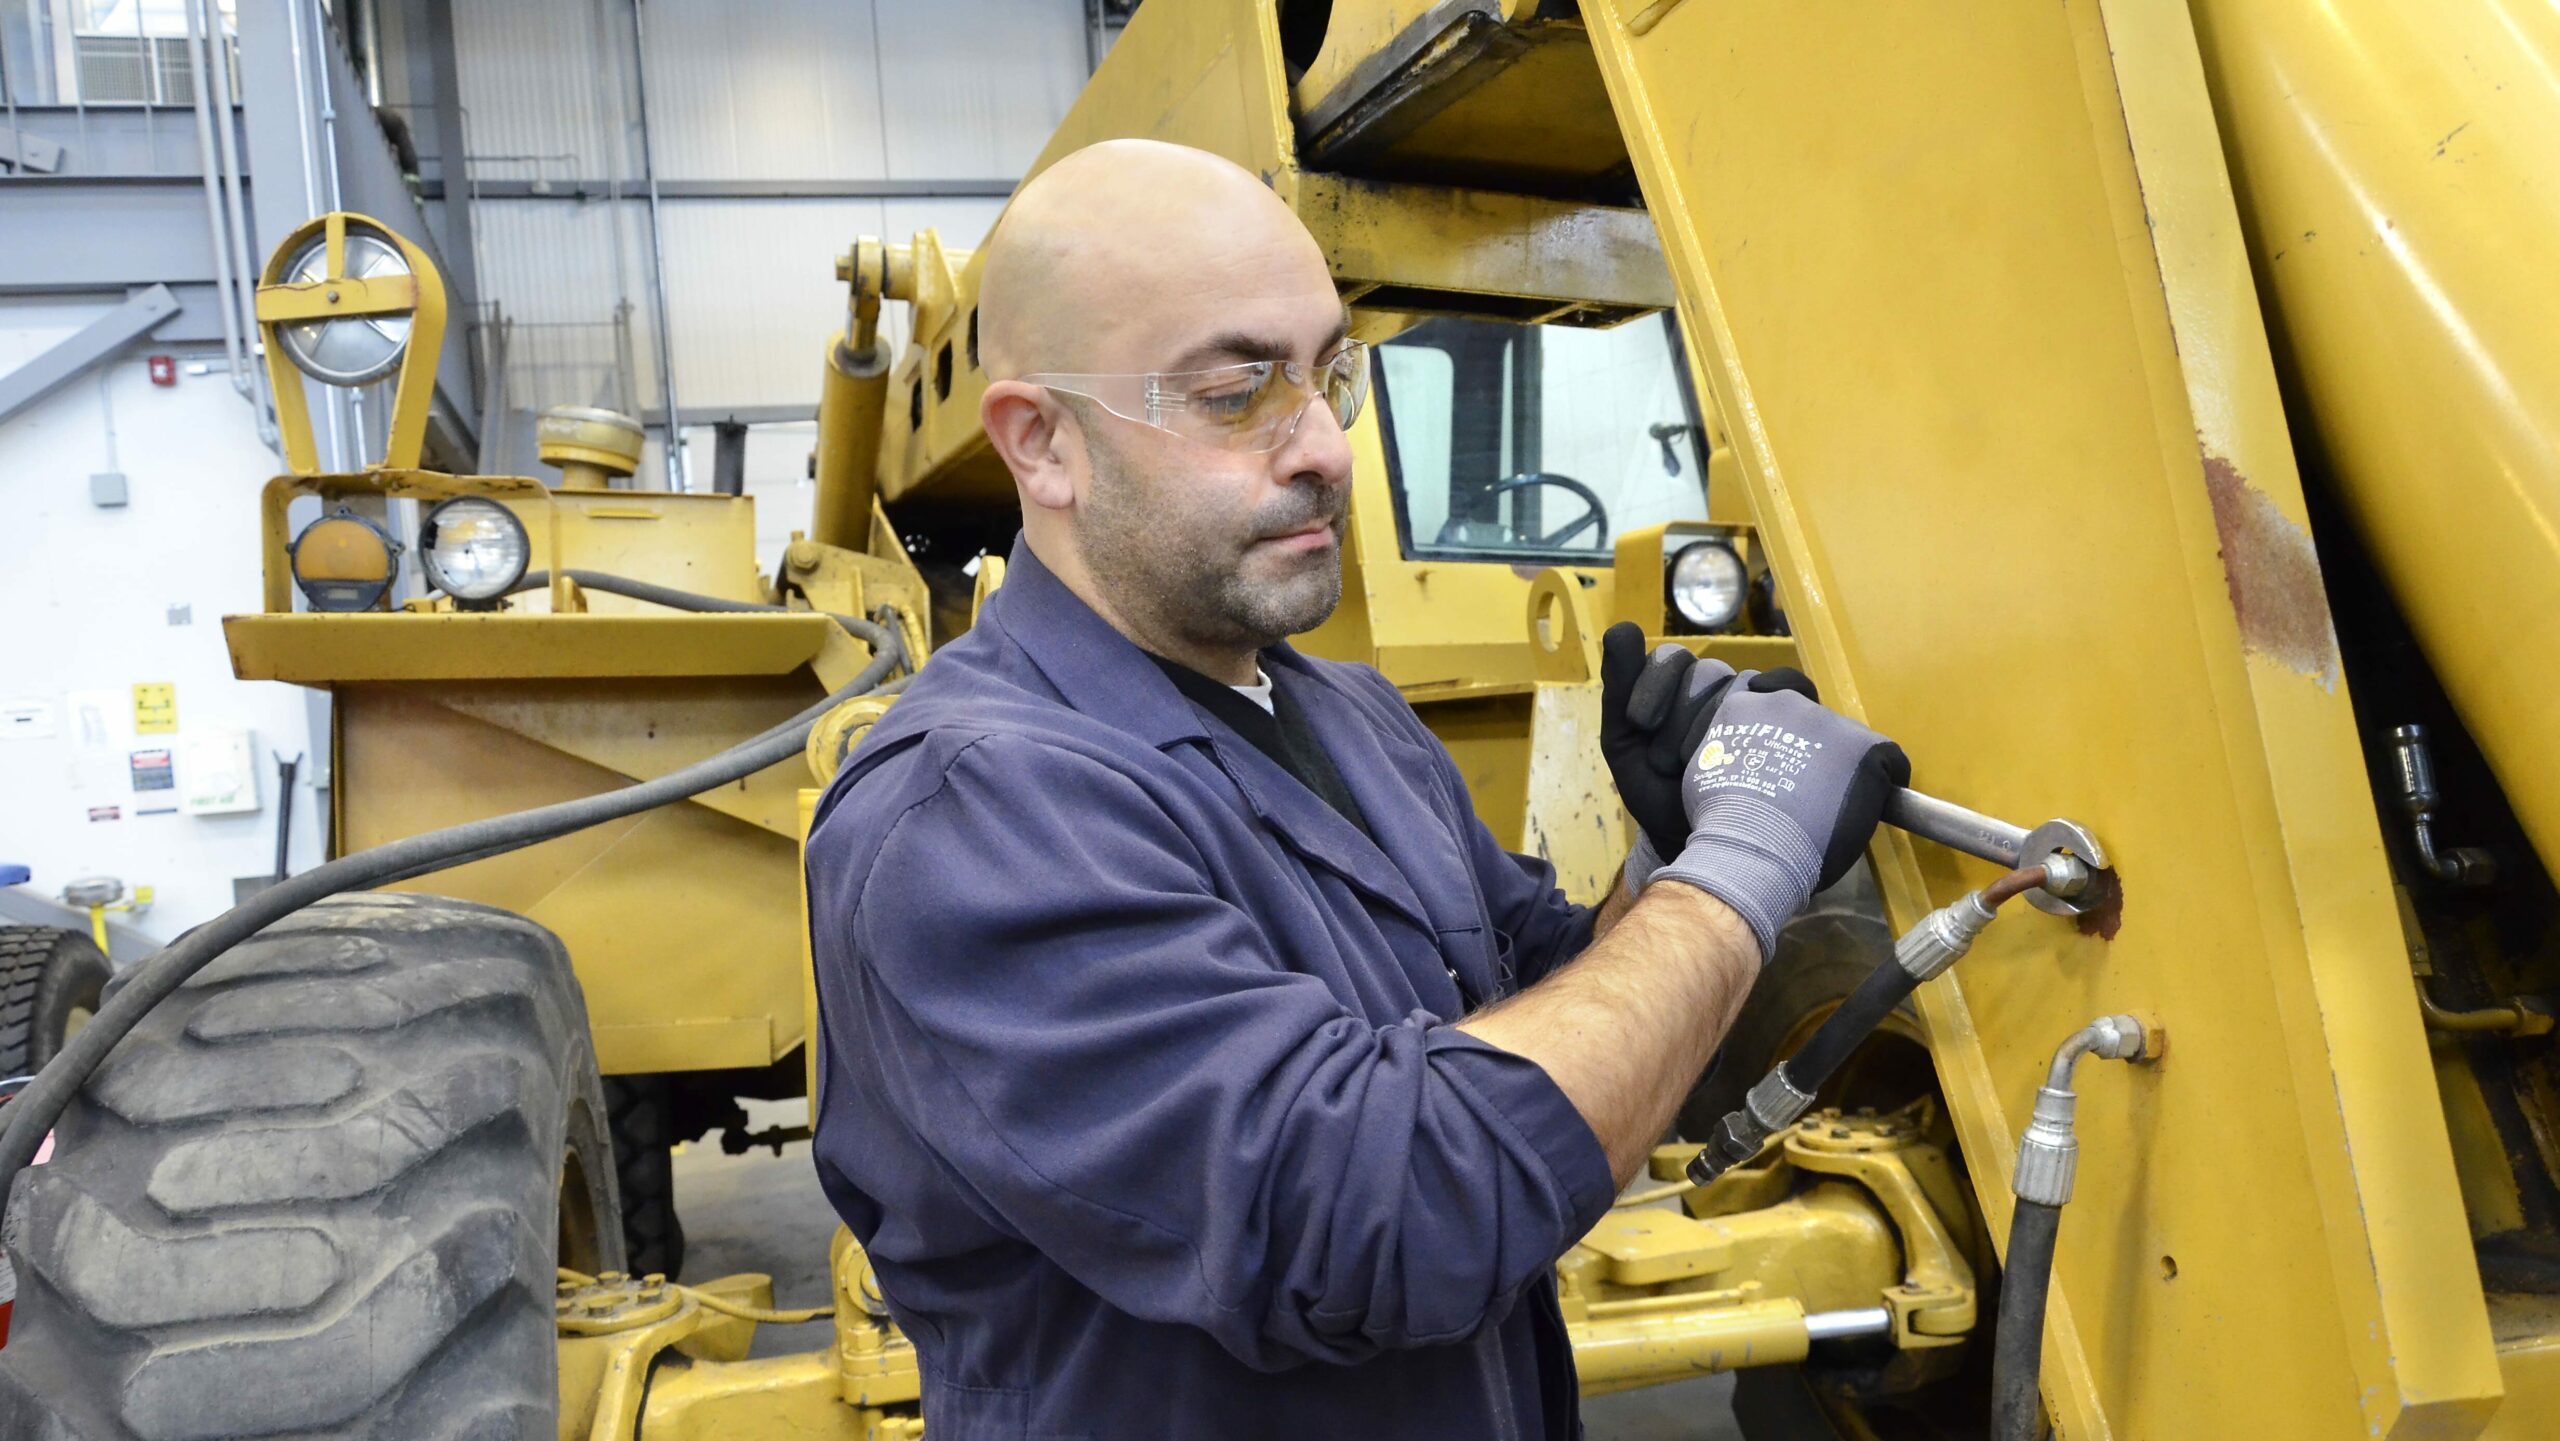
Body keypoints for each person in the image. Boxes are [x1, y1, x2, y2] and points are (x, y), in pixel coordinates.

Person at [803, 138, 1908, 1441]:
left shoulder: (1357, 719)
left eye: (1333, 373)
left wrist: (1659, 864)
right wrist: (1740, 875)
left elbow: (1554, 1027)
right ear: (1043, 443)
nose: (1325, 446)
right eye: (1236, 393)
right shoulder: (967, 814)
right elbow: (1387, 1215)